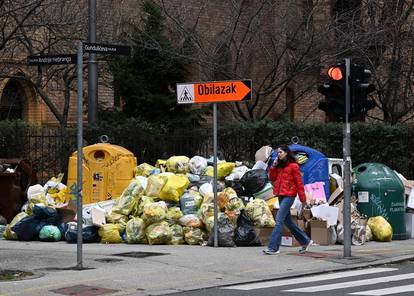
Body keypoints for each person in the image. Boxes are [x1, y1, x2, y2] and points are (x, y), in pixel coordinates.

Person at [263, 144, 313, 255]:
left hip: (289, 195)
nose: (278, 154)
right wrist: (274, 166)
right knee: (288, 221)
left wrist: (303, 199)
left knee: (279, 220)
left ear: (286, 153)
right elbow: (272, 177)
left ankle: (273, 248)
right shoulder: (280, 166)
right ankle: (305, 240)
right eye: (278, 153)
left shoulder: (294, 166)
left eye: (280, 152)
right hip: (281, 194)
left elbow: (299, 183)